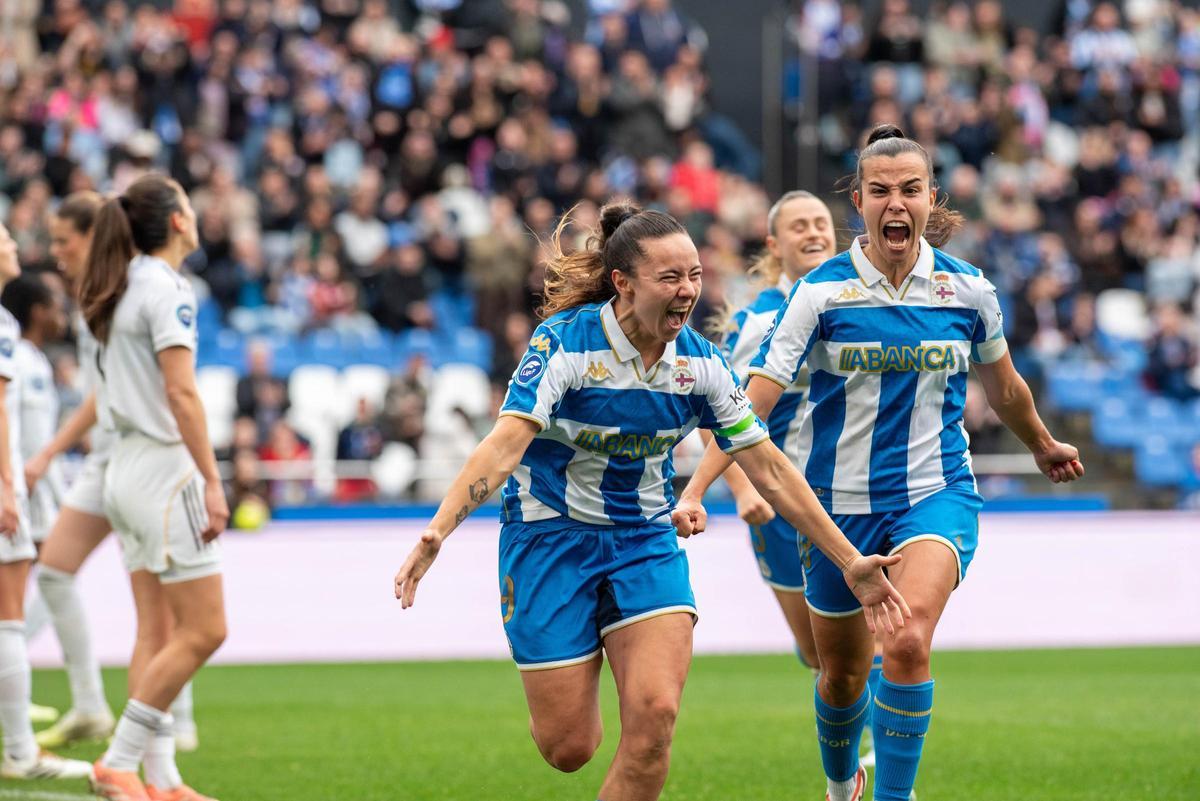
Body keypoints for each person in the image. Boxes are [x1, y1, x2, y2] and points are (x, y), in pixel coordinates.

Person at [393, 201, 911, 801]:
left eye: (694, 275)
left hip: (644, 542)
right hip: (548, 540)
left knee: (655, 719)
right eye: (670, 278)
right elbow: (504, 446)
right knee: (569, 748)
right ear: (623, 283)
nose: (688, 290)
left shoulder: (701, 363)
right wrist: (437, 532)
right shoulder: (564, 346)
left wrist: (850, 562)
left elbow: (766, 465)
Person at [676, 125, 1084, 801]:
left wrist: (1040, 441)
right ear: (859, 201)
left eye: (911, 189)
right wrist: (698, 487)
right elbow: (754, 407)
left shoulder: (968, 290)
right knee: (838, 672)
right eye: (881, 191)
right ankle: (842, 786)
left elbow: (1004, 385)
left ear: (930, 198)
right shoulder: (820, 295)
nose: (896, 203)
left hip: (935, 491)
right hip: (836, 506)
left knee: (907, 639)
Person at [26, 192, 200, 752]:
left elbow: (142, 389)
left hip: (133, 457)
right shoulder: (105, 296)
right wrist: (53, 450)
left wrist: (50, 450)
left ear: (94, 236)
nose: (56, 252)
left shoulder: (130, 291)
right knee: (62, 572)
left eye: (63, 240)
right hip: (119, 458)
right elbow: (113, 390)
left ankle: (164, 731)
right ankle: (101, 716)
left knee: (167, 606)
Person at [79, 175, 228, 801]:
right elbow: (181, 392)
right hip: (164, 472)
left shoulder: (118, 286)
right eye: (188, 206)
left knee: (157, 632)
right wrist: (213, 482)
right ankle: (119, 761)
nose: (195, 216)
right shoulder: (169, 289)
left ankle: (162, 779)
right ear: (176, 222)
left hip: (122, 470)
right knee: (206, 631)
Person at [0, 222, 92, 780]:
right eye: (5, 239)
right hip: (8, 488)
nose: (14, 246)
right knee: (10, 615)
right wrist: (7, 486)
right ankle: (19, 753)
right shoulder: (5, 326)